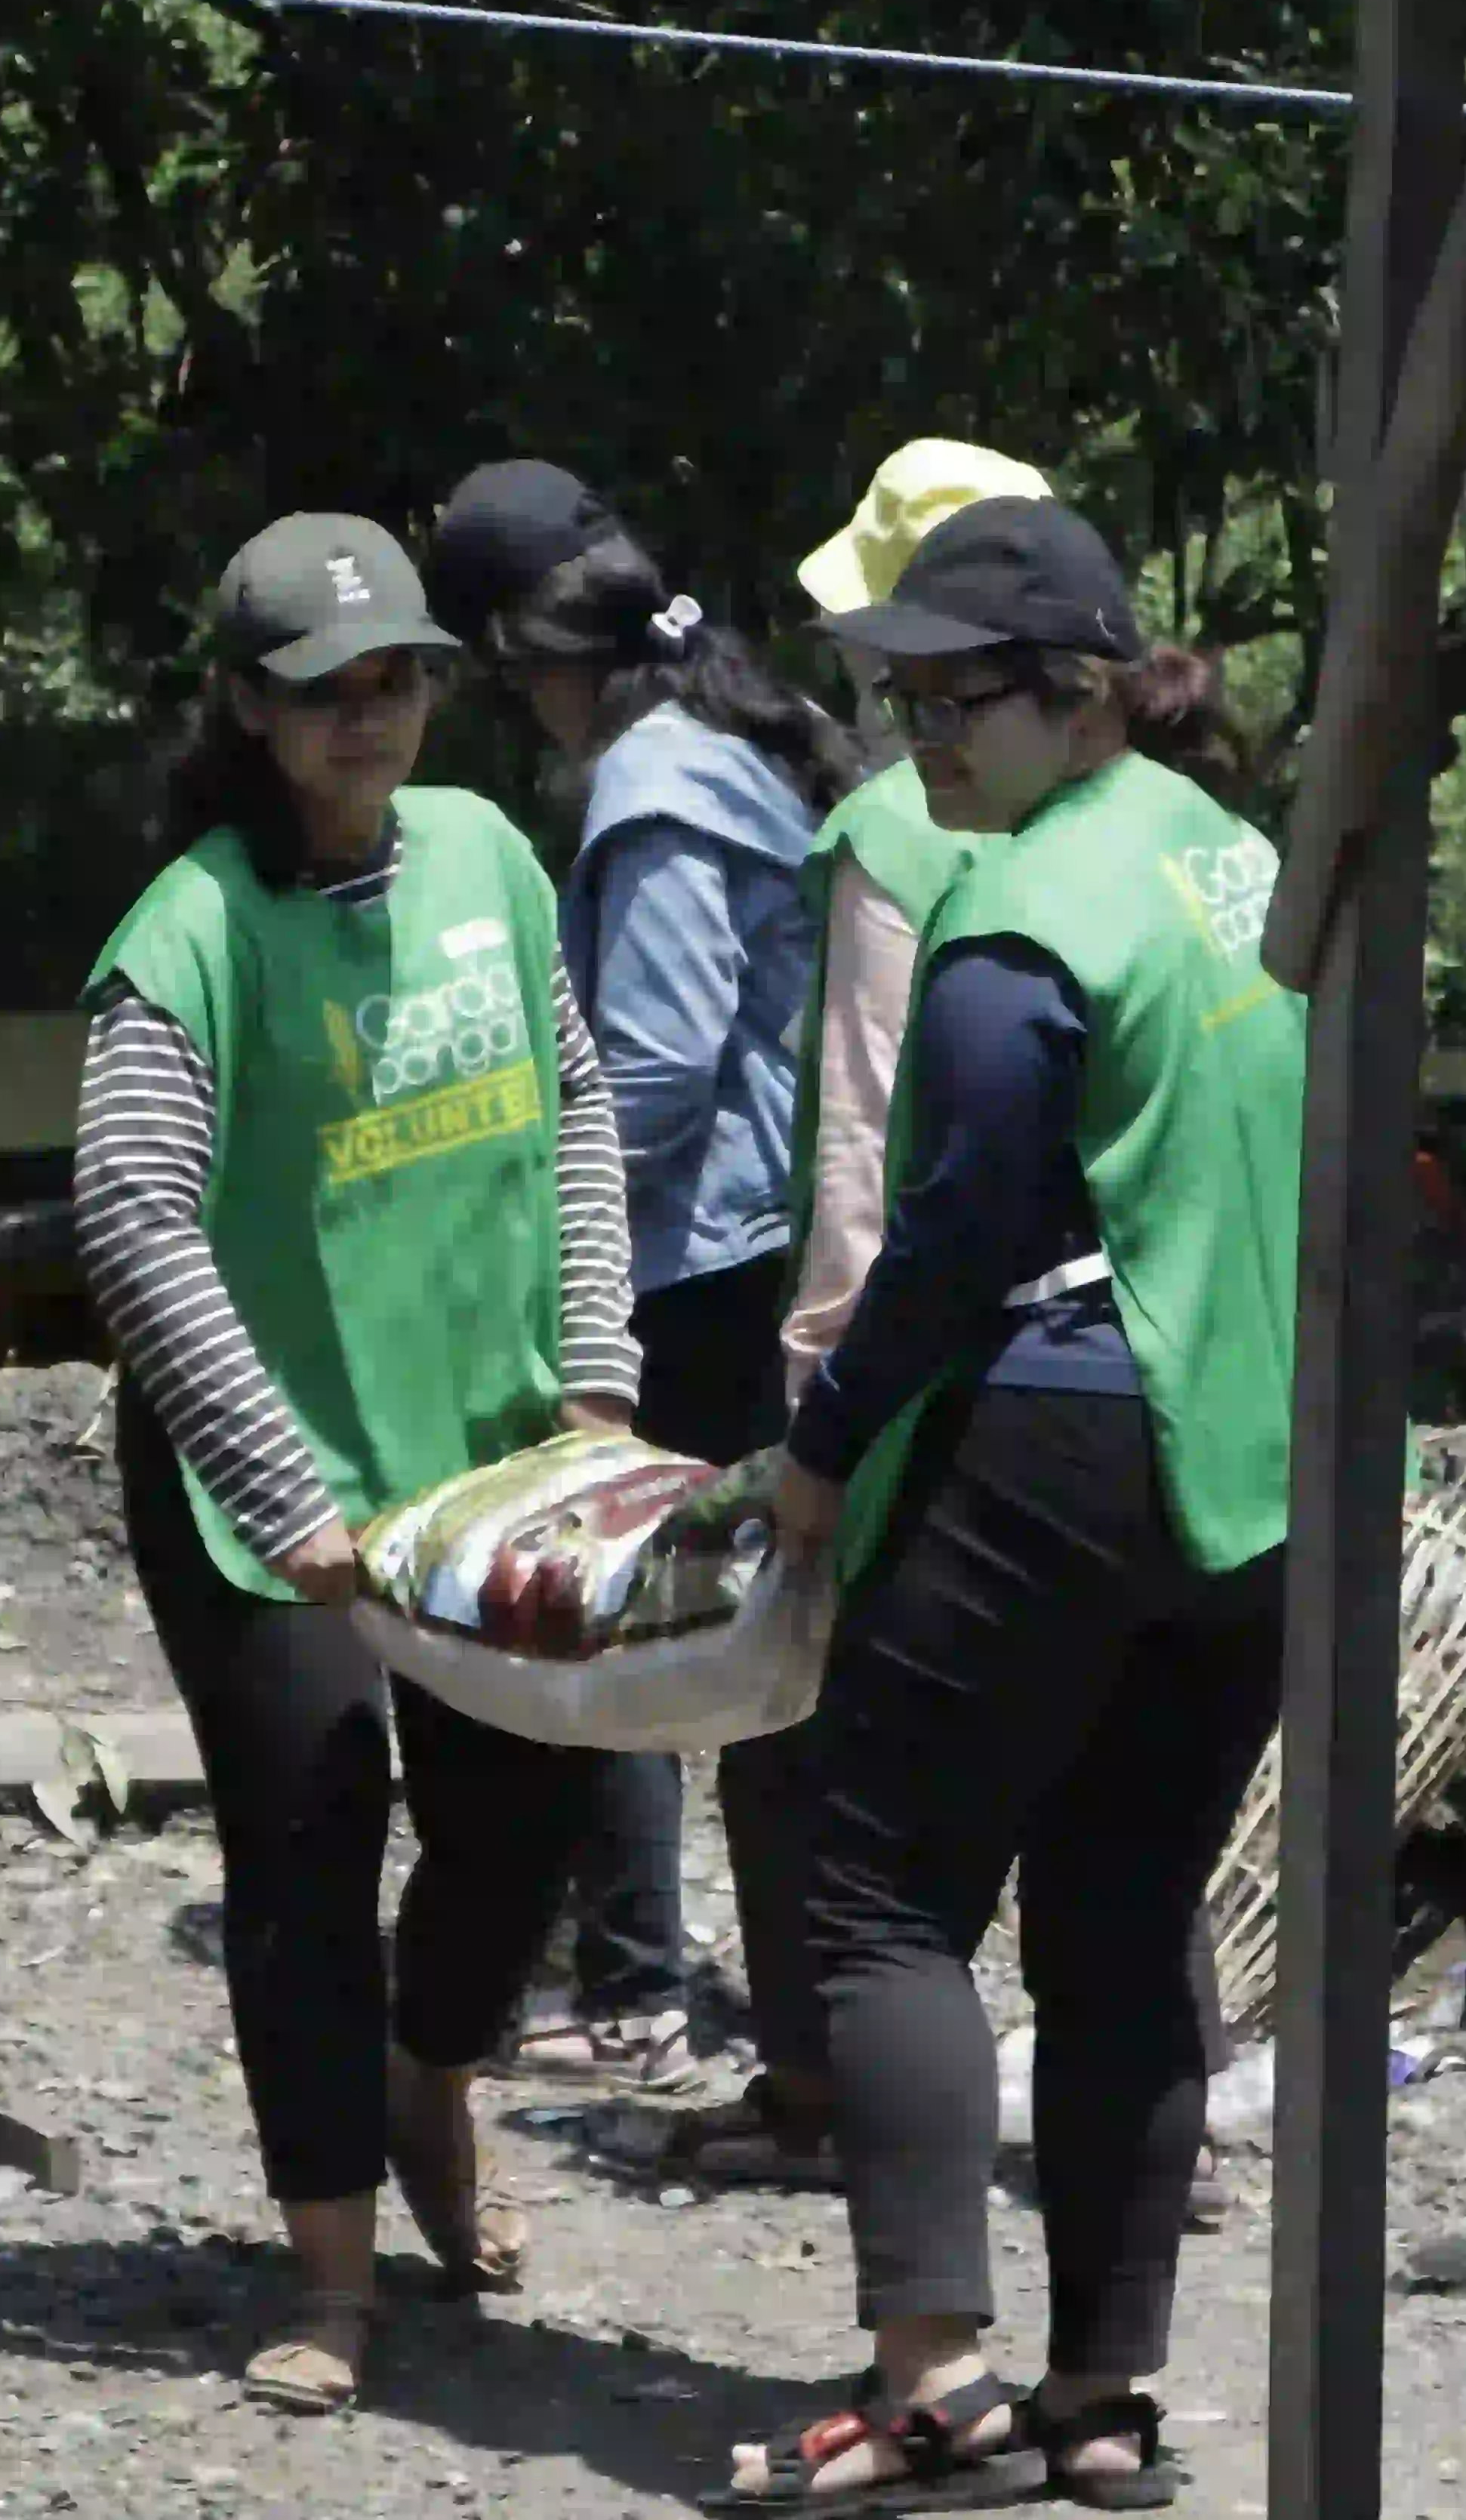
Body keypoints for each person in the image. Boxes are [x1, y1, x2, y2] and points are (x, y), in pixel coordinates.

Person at [720, 499, 1300, 2510]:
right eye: (901, 703)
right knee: (1125, 1912)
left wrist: (819, 1450)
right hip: (1257, 1476)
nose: (918, 744)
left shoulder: (1019, 918)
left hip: (1064, 1441)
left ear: (1082, 697)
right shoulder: (1239, 863)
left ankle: (932, 2387)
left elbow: (953, 1239)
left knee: (879, 1890)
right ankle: (1102, 2399)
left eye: (954, 702)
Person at [72, 510, 642, 2417]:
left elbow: (573, 1101)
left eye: (397, 679)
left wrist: (600, 1375)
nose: (368, 716)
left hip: (488, 1455)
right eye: (325, 690)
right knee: (309, 1842)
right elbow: (133, 1219)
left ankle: (432, 2075)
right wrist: (276, 1487)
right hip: (272, 1489)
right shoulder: (188, 936)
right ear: (247, 704)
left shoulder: (487, 855)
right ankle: (331, 2276)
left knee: (525, 1817)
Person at [423, 460, 864, 2098]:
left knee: (623, 1607)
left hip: (693, 1267)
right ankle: (711, 1991)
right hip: (755, 1249)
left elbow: (659, 1068)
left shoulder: (658, 783)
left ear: (533, 653)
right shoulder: (739, 739)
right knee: (734, 1621)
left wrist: (537, 1235)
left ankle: (631, 1987)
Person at [650, 438, 1056, 2192]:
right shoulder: (1152, 821)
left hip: (917, 1343)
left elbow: (862, 1137)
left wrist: (820, 1414)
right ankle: (1151, 2104)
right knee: (1093, 1747)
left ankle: (821, 2089)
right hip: (1103, 1353)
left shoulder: (889, 829)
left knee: (794, 1728)